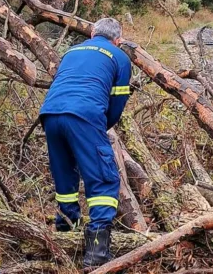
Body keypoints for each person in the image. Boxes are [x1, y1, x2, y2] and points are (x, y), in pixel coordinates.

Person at [39, 18, 132, 268]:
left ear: (92, 34)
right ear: (118, 40)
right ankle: (96, 254)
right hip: (85, 113)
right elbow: (116, 106)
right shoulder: (120, 57)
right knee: (102, 177)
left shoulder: (71, 50)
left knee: (65, 177)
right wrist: (99, 128)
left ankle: (66, 234)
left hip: (50, 114)